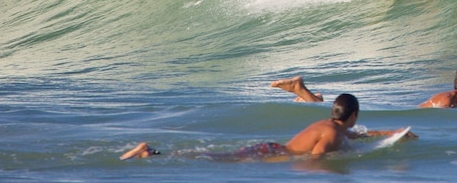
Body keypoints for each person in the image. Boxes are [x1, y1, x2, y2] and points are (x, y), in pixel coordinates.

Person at [120, 93, 414, 161]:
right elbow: (315, 160)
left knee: (216, 157)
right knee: (216, 159)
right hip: (270, 154)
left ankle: (153, 152)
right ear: (354, 114)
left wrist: (392, 134)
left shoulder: (331, 125)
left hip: (271, 148)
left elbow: (359, 135)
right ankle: (153, 152)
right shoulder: (334, 133)